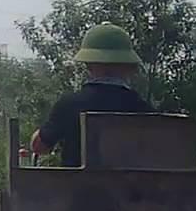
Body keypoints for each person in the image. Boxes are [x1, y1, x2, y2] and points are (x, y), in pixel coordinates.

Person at [30, 22, 154, 167]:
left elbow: (40, 147)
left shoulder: (69, 104)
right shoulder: (143, 109)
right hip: (130, 183)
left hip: (76, 182)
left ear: (88, 64)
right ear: (129, 66)